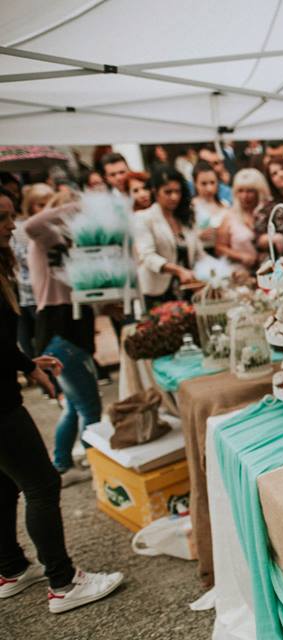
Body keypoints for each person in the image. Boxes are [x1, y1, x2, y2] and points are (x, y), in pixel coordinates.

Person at [0, 201, 124, 612]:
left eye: (10, 215)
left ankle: (11, 569)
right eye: (2, 217)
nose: (12, 225)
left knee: (5, 485)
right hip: (1, 405)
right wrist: (81, 204)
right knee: (42, 485)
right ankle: (63, 583)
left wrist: (25, 362)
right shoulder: (41, 239)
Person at [22, 191, 102, 482]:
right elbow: (30, 225)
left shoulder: (69, 241)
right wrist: (78, 206)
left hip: (70, 331)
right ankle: (98, 467)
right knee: (89, 406)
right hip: (60, 331)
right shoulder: (45, 236)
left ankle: (62, 464)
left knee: (73, 406)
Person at [134, 166, 204, 308]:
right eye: (168, 192)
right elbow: (147, 256)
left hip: (188, 291)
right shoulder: (143, 218)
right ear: (155, 192)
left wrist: (222, 269)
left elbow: (199, 254)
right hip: (158, 292)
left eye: (177, 191)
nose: (174, 197)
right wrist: (178, 271)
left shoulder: (186, 218)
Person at [13, 184, 54, 360]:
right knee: (39, 343)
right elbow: (23, 259)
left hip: (52, 294)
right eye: (40, 205)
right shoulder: (21, 229)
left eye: (49, 204)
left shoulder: (53, 227)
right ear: (30, 206)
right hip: (31, 294)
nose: (45, 209)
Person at [216, 168, 267, 274]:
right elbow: (220, 248)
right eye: (241, 191)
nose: (245, 196)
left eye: (250, 191)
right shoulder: (229, 216)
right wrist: (240, 256)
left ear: (259, 192)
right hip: (241, 273)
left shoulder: (268, 214)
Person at [192, 161, 229, 245]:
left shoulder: (225, 205)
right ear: (195, 183)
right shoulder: (191, 206)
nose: (209, 188)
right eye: (203, 184)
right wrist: (198, 235)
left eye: (212, 182)